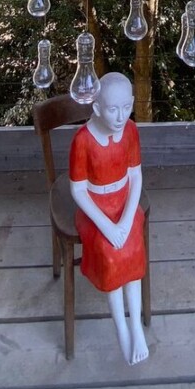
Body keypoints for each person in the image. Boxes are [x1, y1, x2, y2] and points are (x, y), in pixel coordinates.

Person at [69, 72, 149, 364]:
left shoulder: (130, 131)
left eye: (126, 107)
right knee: (111, 252)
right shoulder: (82, 140)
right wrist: (107, 226)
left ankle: (136, 324)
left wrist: (126, 221)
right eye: (113, 109)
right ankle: (121, 327)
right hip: (95, 208)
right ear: (97, 108)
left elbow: (136, 176)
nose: (120, 116)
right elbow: (78, 190)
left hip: (125, 203)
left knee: (133, 248)